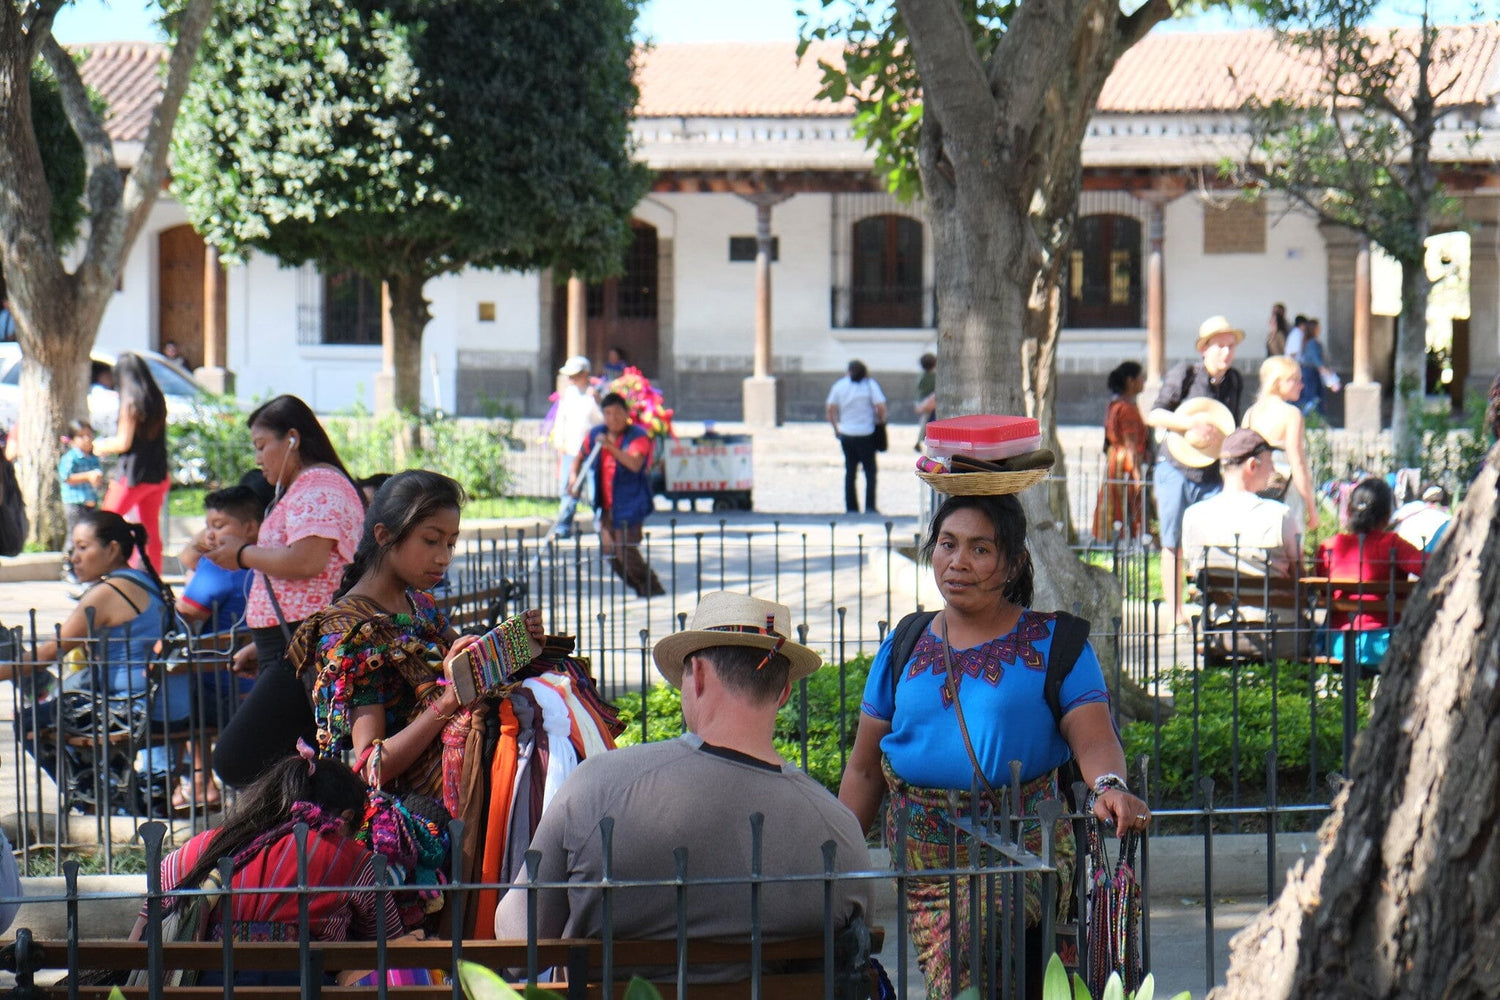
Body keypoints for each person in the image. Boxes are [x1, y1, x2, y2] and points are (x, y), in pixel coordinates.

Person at [838, 491, 1149, 1000]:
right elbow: (865, 770)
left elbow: (1093, 736)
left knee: (978, 939)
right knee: (962, 973)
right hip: (925, 865)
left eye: (980, 549)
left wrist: (1109, 786)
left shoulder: (1057, 644)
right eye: (947, 544)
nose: (958, 561)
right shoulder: (905, 644)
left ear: (1014, 562)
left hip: (1024, 849)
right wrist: (836, 866)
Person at [495, 591, 873, 956]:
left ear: (699, 673)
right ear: (784, 692)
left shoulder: (598, 786)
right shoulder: (838, 828)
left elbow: (519, 939)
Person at [292, 469, 543, 814]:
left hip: (463, 779)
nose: (444, 557)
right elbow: (371, 766)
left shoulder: (419, 605)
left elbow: (470, 666)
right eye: (431, 540)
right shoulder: (348, 634)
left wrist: (520, 644)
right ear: (384, 536)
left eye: (451, 542)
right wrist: (449, 699)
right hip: (416, 810)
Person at [134, 749, 404, 983]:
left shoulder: (200, 849)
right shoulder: (353, 860)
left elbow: (137, 944)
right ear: (345, 818)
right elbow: (390, 943)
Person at [205, 395, 365, 788]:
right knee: (286, 758)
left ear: (292, 439)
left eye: (262, 446)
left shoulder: (319, 485)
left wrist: (242, 554)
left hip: (303, 646)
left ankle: (299, 828)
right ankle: (299, 835)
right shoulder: (307, 487)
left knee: (236, 759)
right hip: (288, 643)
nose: (258, 459)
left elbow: (307, 560)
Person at [2, 510, 184, 813]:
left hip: (133, 708)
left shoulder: (107, 592)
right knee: (63, 708)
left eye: (83, 547)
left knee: (30, 721)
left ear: (112, 549)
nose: (74, 557)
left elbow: (49, 653)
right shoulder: (144, 580)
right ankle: (117, 795)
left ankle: (96, 802)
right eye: (73, 549)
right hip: (172, 703)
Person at [1146, 315, 1245, 628]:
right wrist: (1191, 424)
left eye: (1231, 346)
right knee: (1172, 541)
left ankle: (1214, 611)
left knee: (1219, 540)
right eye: (1220, 346)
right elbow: (1155, 414)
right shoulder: (1185, 373)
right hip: (1174, 467)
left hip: (1212, 471)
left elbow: (1233, 425)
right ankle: (1175, 613)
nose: (1226, 353)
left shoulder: (1235, 380)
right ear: (1204, 349)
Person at [1180, 430, 1303, 660]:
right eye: (1270, 463)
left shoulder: (1193, 516)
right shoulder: (1280, 516)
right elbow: (1299, 576)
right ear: (1252, 465)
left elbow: (1193, 572)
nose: (1274, 471)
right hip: (1279, 635)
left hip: (1221, 632)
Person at [1315, 476, 1426, 671]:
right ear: (1387, 515)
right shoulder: (1392, 544)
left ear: (1349, 511)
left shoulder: (1329, 547)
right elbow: (1426, 566)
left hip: (1339, 644)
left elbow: (1323, 592)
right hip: (1384, 644)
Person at [570, 391, 663, 597]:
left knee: (625, 548)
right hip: (606, 505)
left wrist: (610, 447)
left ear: (626, 413)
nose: (613, 419)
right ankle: (639, 587)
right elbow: (579, 456)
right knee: (610, 552)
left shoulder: (637, 435)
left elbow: (634, 463)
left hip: (630, 503)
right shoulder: (596, 434)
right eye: (608, 414)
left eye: (617, 413)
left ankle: (651, 587)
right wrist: (573, 478)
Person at [95, 352, 170, 568]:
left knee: (101, 527)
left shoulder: (130, 403)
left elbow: (123, 443)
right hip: (157, 475)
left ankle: (96, 573)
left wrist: (98, 446)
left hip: (132, 476)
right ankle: (152, 579)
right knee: (150, 533)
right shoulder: (158, 400)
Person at [1241, 356, 1320, 533]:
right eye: (1295, 380)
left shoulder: (1251, 413)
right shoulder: (1291, 414)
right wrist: (1311, 507)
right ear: (1277, 382)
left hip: (1256, 483)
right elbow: (1297, 461)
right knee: (1290, 539)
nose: (1301, 384)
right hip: (1285, 483)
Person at [1092, 361, 1150, 542]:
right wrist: (1137, 472)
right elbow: (1131, 443)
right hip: (1126, 461)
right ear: (1131, 381)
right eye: (1141, 378)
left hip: (1115, 458)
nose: (1144, 382)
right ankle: (1126, 537)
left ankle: (1113, 536)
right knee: (1128, 498)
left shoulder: (1114, 404)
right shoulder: (1127, 409)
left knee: (1115, 497)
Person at [549, 356, 602, 539]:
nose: (571, 379)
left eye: (575, 375)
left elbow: (601, 421)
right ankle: (563, 526)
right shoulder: (568, 395)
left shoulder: (593, 394)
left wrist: (597, 401)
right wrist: (559, 443)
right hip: (571, 450)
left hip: (591, 452)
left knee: (596, 491)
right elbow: (561, 419)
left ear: (584, 374)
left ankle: (601, 525)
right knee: (569, 489)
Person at [826, 360, 887, 515]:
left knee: (850, 471)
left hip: (846, 432)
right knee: (870, 472)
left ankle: (851, 507)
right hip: (866, 433)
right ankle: (870, 506)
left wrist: (835, 427)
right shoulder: (870, 385)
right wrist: (880, 419)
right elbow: (880, 406)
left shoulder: (840, 386)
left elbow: (830, 409)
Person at [57, 419, 105, 580]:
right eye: (81, 436)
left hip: (89, 501)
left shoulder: (92, 458)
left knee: (89, 536)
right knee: (75, 534)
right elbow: (66, 477)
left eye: (89, 435)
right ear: (72, 439)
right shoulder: (71, 457)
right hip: (74, 502)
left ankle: (85, 568)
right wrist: (87, 476)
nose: (87, 439)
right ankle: (67, 567)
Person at [1391, 483, 1452, 553]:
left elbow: (1392, 521)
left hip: (1399, 554)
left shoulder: (1408, 508)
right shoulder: (1446, 518)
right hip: (1426, 557)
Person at [1295, 318, 1338, 416]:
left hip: (1309, 371)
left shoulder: (1309, 341)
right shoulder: (1312, 343)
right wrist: (1325, 371)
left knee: (1313, 395)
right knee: (1312, 396)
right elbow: (1316, 359)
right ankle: (1310, 417)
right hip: (1310, 371)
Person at [913, 351, 937, 451]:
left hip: (920, 400)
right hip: (928, 401)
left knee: (924, 421)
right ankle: (919, 441)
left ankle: (920, 441)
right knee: (926, 421)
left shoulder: (921, 376)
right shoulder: (933, 376)